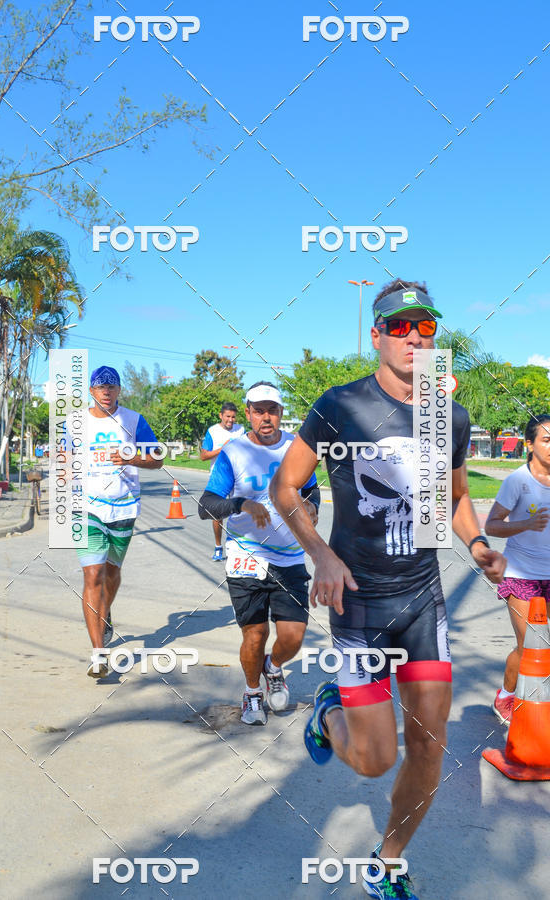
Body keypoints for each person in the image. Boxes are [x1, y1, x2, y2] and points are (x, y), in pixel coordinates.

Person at [270, 280, 506, 899]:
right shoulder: (340, 405)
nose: (413, 338)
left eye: (424, 327)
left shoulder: (449, 415)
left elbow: (457, 496)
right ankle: (329, 712)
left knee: (429, 747)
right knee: (375, 759)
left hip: (423, 601)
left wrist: (477, 544)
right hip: (359, 602)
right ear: (375, 335)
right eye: (399, 327)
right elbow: (284, 487)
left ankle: (387, 862)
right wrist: (320, 554)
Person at [198, 382, 320, 725]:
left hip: (289, 556)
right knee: (255, 635)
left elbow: (311, 490)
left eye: (272, 410)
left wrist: (312, 505)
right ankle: (252, 692)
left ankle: (273, 667)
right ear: (248, 413)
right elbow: (206, 506)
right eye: (258, 411)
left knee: (293, 636)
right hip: (245, 556)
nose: (266, 417)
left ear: (281, 413)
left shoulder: (297, 448)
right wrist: (240, 504)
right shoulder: (233, 452)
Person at [77, 366, 163, 678]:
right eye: (101, 387)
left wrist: (131, 459)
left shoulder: (134, 421)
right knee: (93, 575)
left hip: (124, 507)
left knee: (111, 574)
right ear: (91, 391)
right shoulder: (75, 423)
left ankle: (105, 612)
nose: (106, 391)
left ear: (119, 390)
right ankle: (98, 653)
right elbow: (62, 460)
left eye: (111, 386)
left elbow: (158, 459)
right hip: (87, 507)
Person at [485, 414, 550, 724]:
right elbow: (492, 525)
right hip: (522, 575)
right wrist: (526, 523)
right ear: (530, 444)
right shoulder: (518, 481)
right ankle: (506, 695)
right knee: (529, 645)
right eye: (546, 440)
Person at [200, 401, 245, 560]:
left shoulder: (241, 430)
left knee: (239, 511)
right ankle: (218, 546)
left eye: (233, 417)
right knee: (217, 514)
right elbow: (203, 456)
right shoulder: (213, 431)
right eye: (227, 416)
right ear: (221, 415)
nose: (230, 420)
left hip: (238, 476)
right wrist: (222, 449)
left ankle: (239, 546)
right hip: (218, 478)